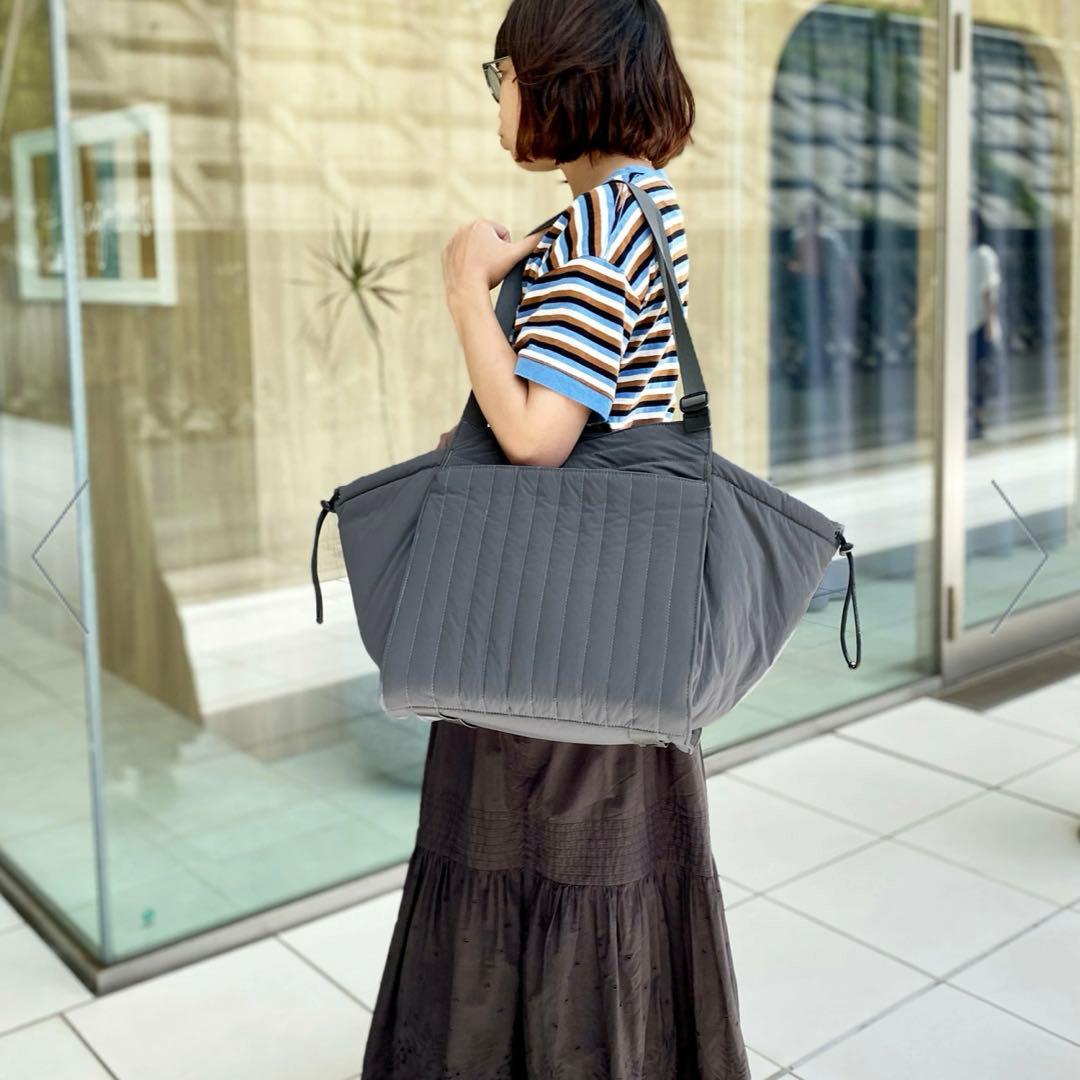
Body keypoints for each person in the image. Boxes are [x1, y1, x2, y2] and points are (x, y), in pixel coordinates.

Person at [361, 2, 752, 1076]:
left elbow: (539, 438)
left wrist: (463, 289)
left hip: (547, 646)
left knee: (532, 863)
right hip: (613, 632)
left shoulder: (596, 227)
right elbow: (600, 402)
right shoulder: (644, 204)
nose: (497, 96)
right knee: (608, 882)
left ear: (560, 77)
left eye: (502, 74)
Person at [967, 207, 1003, 439]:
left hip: (979, 324)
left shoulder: (983, 255)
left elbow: (987, 290)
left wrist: (989, 323)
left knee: (980, 373)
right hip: (964, 323)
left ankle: (978, 418)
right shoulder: (965, 253)